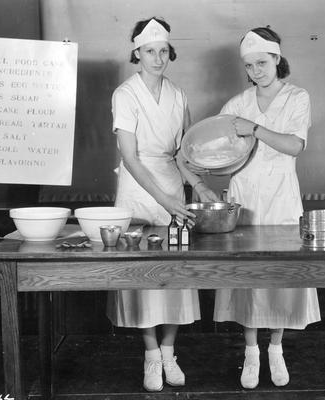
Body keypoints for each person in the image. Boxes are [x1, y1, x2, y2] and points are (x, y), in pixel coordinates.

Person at [106, 17, 217, 392]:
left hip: (173, 183)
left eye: (163, 51)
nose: (157, 58)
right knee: (143, 274)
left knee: (176, 271)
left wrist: (198, 187)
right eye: (150, 51)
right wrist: (166, 199)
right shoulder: (125, 94)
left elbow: (185, 152)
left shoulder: (178, 94)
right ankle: (151, 355)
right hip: (138, 191)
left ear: (170, 53)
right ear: (136, 53)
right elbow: (131, 156)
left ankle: (170, 351)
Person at [213, 27, 321, 389]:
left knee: (279, 276)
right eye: (249, 65)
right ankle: (250, 352)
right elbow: (219, 151)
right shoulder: (236, 104)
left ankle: (275, 348)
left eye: (262, 62)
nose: (256, 70)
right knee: (248, 278)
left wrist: (254, 129)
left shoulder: (296, 98)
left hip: (281, 198)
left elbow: (294, 146)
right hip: (244, 200)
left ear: (277, 58)